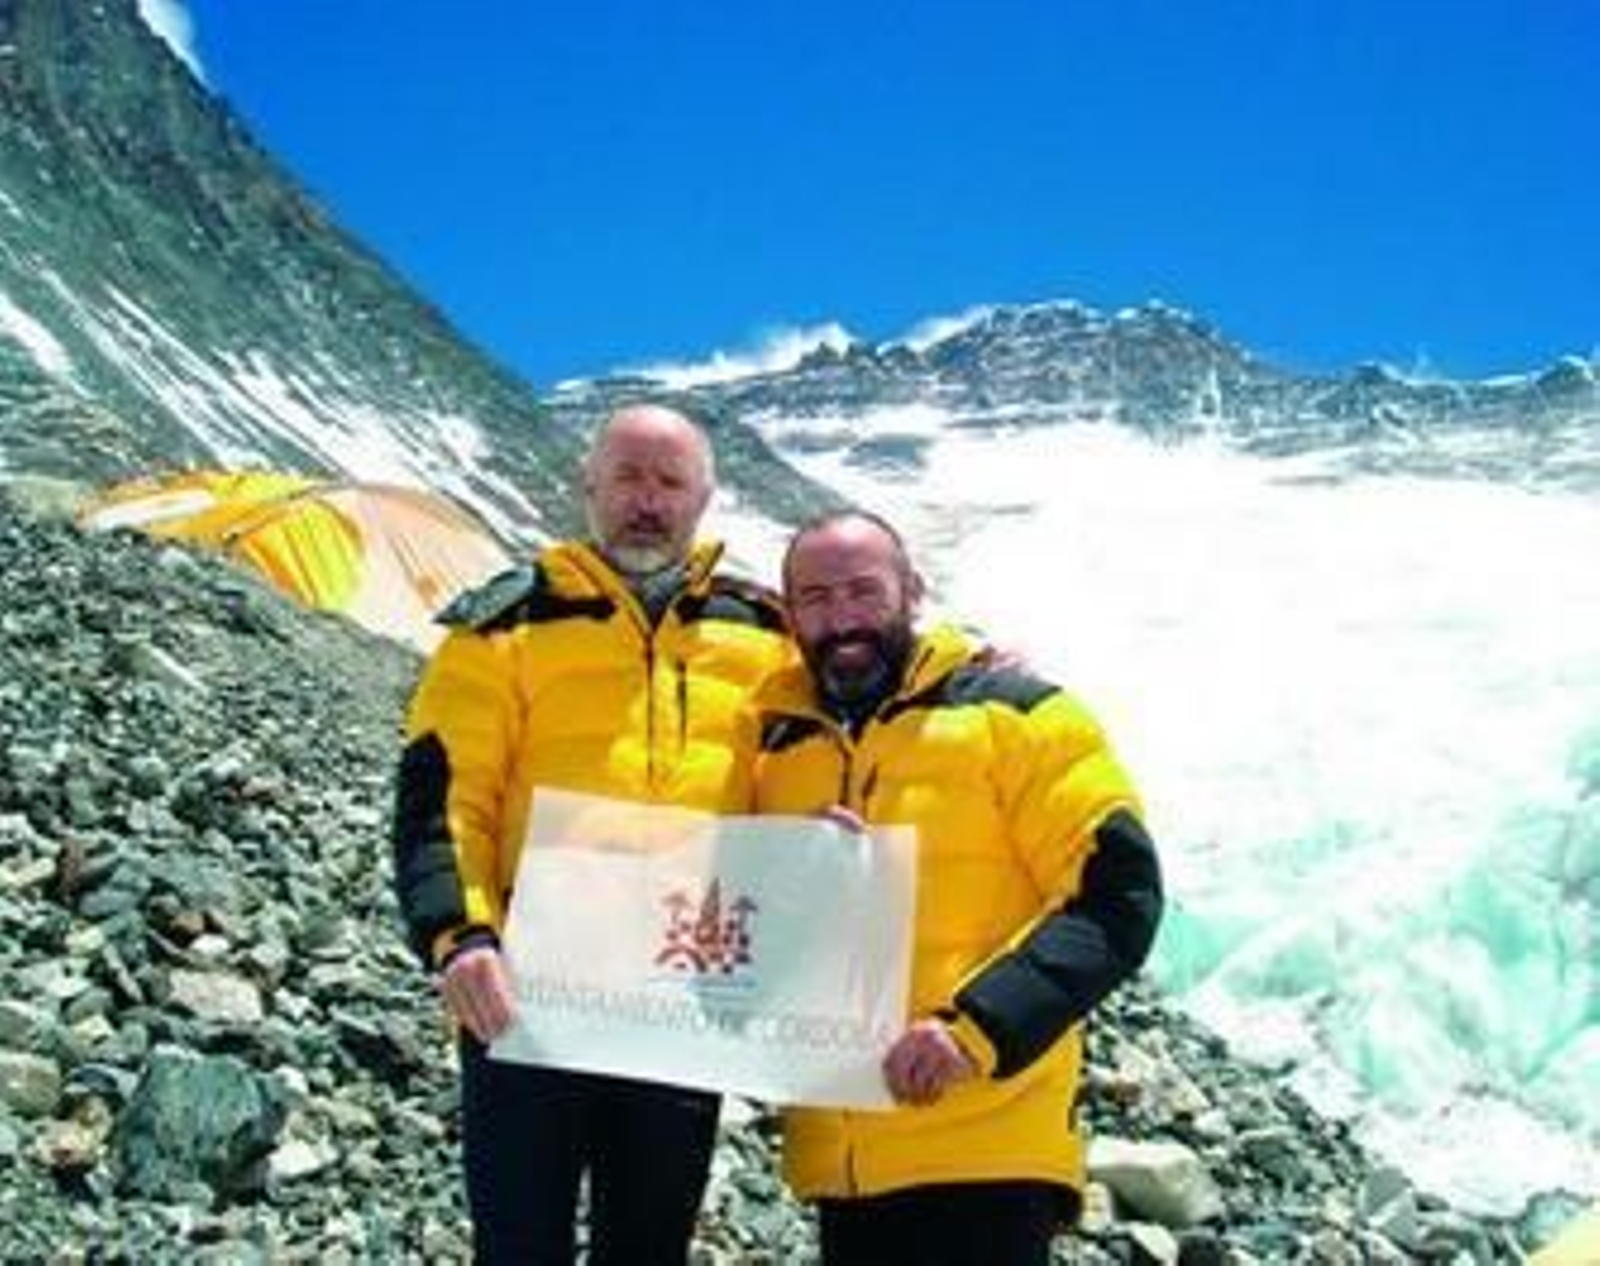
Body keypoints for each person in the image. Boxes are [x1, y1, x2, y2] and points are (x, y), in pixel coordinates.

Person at [389, 404, 790, 1264]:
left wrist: (980, 664)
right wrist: (460, 936)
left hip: (681, 996)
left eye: (670, 482)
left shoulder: (767, 638)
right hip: (529, 992)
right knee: (520, 1243)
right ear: (590, 488)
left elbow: (871, 683)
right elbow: (441, 798)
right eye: (628, 479)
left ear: (705, 497)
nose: (647, 501)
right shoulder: (504, 629)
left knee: (649, 1248)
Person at [749, 510, 1165, 1266]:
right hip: (845, 1160)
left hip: (986, 1147)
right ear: (788, 615)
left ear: (913, 591)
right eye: (814, 597)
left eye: (864, 591)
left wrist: (972, 1031)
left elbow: (1120, 897)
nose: (841, 617)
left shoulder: (1018, 714)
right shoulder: (774, 742)